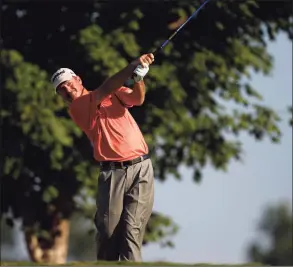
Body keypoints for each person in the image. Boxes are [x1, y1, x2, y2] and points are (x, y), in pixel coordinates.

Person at [50, 53, 155, 262]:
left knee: (132, 231)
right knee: (107, 232)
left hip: (141, 168)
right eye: (62, 91)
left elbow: (137, 99)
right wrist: (132, 66)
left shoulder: (113, 92)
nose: (68, 91)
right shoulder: (77, 108)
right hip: (112, 173)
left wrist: (139, 78)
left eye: (69, 85)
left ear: (78, 79)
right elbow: (106, 87)